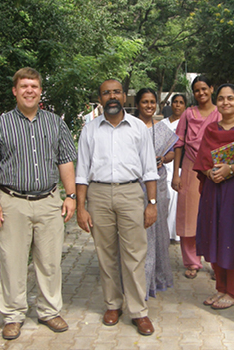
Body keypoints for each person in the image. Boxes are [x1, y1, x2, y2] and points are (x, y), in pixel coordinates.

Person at [0, 67, 77, 340]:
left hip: (48, 202)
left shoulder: (55, 123)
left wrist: (71, 196)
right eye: (24, 86)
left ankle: (49, 310)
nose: (29, 90)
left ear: (40, 90)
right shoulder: (0, 125)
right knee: (13, 262)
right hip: (12, 203)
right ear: (15, 91)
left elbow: (65, 160)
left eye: (34, 86)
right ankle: (13, 315)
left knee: (50, 261)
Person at [75, 79, 158, 336]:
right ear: (99, 98)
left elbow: (149, 169)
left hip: (131, 192)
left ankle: (138, 311)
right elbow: (81, 171)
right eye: (106, 93)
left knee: (135, 253)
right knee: (106, 252)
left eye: (116, 92)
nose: (112, 96)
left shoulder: (138, 128)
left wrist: (152, 203)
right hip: (98, 194)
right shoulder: (89, 130)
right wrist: (81, 207)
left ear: (124, 96)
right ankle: (113, 305)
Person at [193, 84, 234, 309]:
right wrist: (210, 172)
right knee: (213, 235)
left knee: (231, 238)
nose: (226, 102)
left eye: (231, 98)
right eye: (222, 99)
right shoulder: (211, 129)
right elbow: (203, 159)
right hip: (212, 188)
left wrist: (231, 170)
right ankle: (221, 288)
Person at [172, 76, 221, 279]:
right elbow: (179, 144)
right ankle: (191, 261)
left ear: (211, 88)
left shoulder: (220, 113)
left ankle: (216, 264)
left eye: (204, 89)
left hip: (213, 168)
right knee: (187, 215)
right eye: (197, 90)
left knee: (213, 216)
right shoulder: (188, 114)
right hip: (190, 167)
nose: (201, 93)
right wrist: (176, 173)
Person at [134, 88, 176, 298]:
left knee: (158, 232)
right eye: (145, 102)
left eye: (152, 102)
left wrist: (162, 159)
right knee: (138, 233)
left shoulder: (162, 128)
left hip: (158, 184)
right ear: (137, 104)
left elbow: (172, 151)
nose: (149, 106)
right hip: (134, 185)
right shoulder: (130, 126)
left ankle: (155, 277)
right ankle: (137, 279)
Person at [159, 94, 187, 242]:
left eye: (181, 103)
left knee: (177, 199)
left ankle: (175, 234)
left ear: (185, 106)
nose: (177, 105)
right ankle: (164, 232)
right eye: (175, 102)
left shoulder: (187, 124)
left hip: (180, 166)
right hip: (163, 165)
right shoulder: (162, 124)